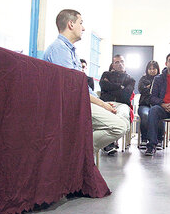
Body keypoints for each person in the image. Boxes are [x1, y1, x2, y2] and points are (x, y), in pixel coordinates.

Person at [43, 9, 129, 153]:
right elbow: (73, 89)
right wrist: (102, 105)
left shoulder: (71, 51)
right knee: (119, 126)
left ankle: (80, 152)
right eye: (80, 23)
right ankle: (77, 153)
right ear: (71, 24)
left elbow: (81, 85)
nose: (83, 28)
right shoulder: (59, 50)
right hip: (70, 104)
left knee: (125, 122)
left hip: (80, 100)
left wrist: (101, 102)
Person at [99, 54, 135, 154]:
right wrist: (120, 87)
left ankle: (110, 141)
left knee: (122, 115)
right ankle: (108, 143)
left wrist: (110, 87)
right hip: (107, 103)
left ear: (125, 63)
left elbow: (125, 95)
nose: (120, 64)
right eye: (117, 62)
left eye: (122, 61)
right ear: (113, 65)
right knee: (105, 115)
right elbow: (103, 86)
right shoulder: (106, 74)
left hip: (122, 104)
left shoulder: (130, 79)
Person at [137, 60, 163, 149]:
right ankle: (144, 139)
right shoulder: (143, 79)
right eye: (150, 68)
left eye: (154, 68)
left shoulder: (161, 79)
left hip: (157, 105)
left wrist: (149, 87)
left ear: (157, 69)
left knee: (159, 115)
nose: (152, 70)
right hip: (144, 104)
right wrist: (153, 89)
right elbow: (142, 89)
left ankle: (159, 140)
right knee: (145, 115)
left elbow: (161, 92)